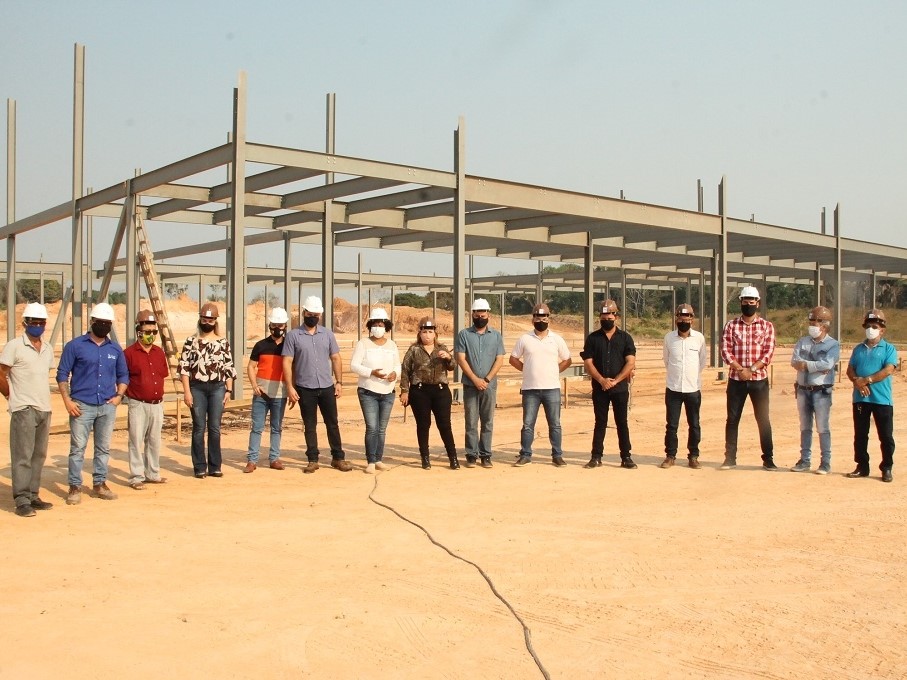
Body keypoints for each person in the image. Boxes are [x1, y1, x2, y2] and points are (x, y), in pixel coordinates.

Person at [56, 302, 129, 504]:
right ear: (92, 322)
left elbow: (123, 375)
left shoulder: (115, 349)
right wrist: (67, 401)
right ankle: (74, 486)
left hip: (107, 405)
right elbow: (62, 374)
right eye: (100, 322)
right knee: (78, 448)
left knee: (103, 448)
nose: (103, 326)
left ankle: (100, 483)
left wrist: (119, 396)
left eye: (107, 323)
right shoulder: (75, 346)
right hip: (81, 405)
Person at [282, 296, 353, 473]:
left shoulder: (327, 334)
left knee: (332, 423)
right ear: (304, 313)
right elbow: (287, 361)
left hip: (327, 386)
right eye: (309, 313)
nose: (312, 316)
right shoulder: (293, 336)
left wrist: (339, 382)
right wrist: (290, 386)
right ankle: (312, 459)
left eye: (316, 314)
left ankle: (338, 457)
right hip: (305, 388)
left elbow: (336, 358)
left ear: (320, 315)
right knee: (310, 424)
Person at [0, 302, 55, 517]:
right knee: (22, 455)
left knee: (38, 455)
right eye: (34, 322)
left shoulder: (48, 348)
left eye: (41, 322)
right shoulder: (14, 346)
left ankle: (33, 494)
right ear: (25, 323)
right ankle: (22, 499)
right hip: (24, 408)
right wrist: (9, 395)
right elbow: (1, 373)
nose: (38, 326)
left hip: (44, 408)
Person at [720, 286, 777, 471]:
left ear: (757, 303)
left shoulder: (766, 326)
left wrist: (751, 369)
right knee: (732, 419)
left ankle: (768, 458)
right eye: (745, 301)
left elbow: (768, 352)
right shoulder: (731, 326)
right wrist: (739, 369)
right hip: (736, 380)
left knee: (763, 419)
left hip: (758, 380)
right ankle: (730, 458)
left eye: (752, 302)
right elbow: (725, 350)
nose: (748, 305)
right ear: (741, 303)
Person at [179, 302, 236, 479]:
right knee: (198, 427)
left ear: (215, 321)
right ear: (200, 319)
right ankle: (199, 466)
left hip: (217, 388)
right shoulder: (191, 342)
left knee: (215, 427)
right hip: (197, 388)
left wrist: (229, 390)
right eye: (205, 318)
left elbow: (228, 367)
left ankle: (215, 466)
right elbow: (184, 368)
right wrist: (187, 392)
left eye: (211, 319)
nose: (208, 322)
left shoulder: (222, 342)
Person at [510, 303, 572, 467]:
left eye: (544, 317)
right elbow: (513, 358)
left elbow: (567, 359)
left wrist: (555, 370)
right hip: (530, 389)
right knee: (528, 424)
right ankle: (525, 454)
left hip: (552, 388)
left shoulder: (556, 339)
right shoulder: (525, 338)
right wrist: (525, 369)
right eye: (538, 317)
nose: (541, 320)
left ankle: (557, 455)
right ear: (533, 319)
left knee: (555, 424)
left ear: (548, 319)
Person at [581, 299, 637, 469]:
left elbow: (630, 362)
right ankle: (596, 456)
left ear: (616, 316)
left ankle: (626, 456)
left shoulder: (625, 338)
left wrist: (617, 380)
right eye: (604, 315)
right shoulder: (593, 338)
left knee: (622, 422)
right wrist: (602, 380)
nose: (607, 318)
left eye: (610, 315)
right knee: (600, 422)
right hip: (600, 388)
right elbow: (588, 363)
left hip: (619, 388)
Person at [400, 317, 460, 470]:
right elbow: (405, 370)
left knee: (445, 425)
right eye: (424, 332)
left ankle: (453, 457)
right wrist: (404, 391)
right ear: (419, 333)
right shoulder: (414, 350)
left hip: (440, 391)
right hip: (420, 392)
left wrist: (448, 358)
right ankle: (425, 457)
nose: (427, 335)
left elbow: (452, 366)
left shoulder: (442, 348)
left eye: (430, 332)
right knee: (423, 424)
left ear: (435, 333)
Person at [846, 309, 897, 483]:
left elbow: (888, 369)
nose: (871, 329)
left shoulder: (889, 348)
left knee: (886, 436)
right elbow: (850, 369)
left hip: (881, 399)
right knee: (860, 434)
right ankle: (862, 466)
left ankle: (887, 467)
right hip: (861, 398)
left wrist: (866, 380)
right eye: (868, 326)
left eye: (874, 326)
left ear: (882, 329)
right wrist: (856, 381)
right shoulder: (858, 349)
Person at [455, 298, 506, 468]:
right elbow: (460, 359)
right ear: (472, 314)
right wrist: (475, 379)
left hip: (489, 386)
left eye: (483, 313)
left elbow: (499, 359)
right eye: (477, 314)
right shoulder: (464, 334)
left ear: (488, 314)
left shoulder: (496, 336)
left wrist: (486, 379)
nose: (480, 316)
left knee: (487, 421)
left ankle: (485, 454)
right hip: (470, 385)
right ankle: (471, 454)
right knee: (471, 420)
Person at [790, 306, 840, 475]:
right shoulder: (802, 342)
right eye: (811, 322)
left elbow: (828, 364)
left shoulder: (833, 345)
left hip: (821, 391)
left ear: (824, 325)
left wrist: (806, 365)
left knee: (822, 427)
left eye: (815, 322)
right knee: (805, 426)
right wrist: (816, 366)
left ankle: (825, 463)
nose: (812, 325)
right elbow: (795, 361)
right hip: (803, 390)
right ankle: (805, 460)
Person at [124, 309, 170, 490]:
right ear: (139, 330)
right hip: (138, 404)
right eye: (148, 331)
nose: (151, 335)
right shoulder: (128, 354)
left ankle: (152, 472)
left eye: (154, 332)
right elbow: (122, 377)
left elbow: (162, 375)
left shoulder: (159, 353)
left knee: (154, 440)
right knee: (136, 439)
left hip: (157, 404)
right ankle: (136, 476)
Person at [350, 308, 401, 473]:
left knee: (381, 428)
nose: (378, 327)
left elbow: (397, 365)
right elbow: (354, 365)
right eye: (375, 324)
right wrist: (371, 372)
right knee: (372, 427)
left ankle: (379, 459)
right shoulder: (363, 344)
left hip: (388, 392)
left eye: (381, 324)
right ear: (370, 326)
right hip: (368, 391)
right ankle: (371, 460)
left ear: (386, 326)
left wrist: (395, 374)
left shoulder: (392, 345)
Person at [661, 303, 708, 469]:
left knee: (694, 424)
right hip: (673, 388)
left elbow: (702, 361)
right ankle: (670, 456)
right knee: (672, 425)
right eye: (681, 317)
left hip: (693, 389)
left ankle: (693, 456)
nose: (684, 320)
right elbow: (667, 361)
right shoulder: (669, 338)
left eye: (687, 317)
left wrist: (691, 376)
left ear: (692, 319)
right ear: (676, 319)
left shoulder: (699, 338)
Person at [244, 307, 290, 473]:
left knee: (276, 427)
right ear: (269, 325)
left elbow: (293, 368)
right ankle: (252, 460)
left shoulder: (288, 346)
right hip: (261, 394)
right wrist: (254, 385)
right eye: (274, 324)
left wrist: (291, 390)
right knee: (257, 427)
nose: (277, 328)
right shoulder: (260, 345)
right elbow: (250, 366)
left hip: (280, 394)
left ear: (285, 325)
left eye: (280, 325)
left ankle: (274, 458)